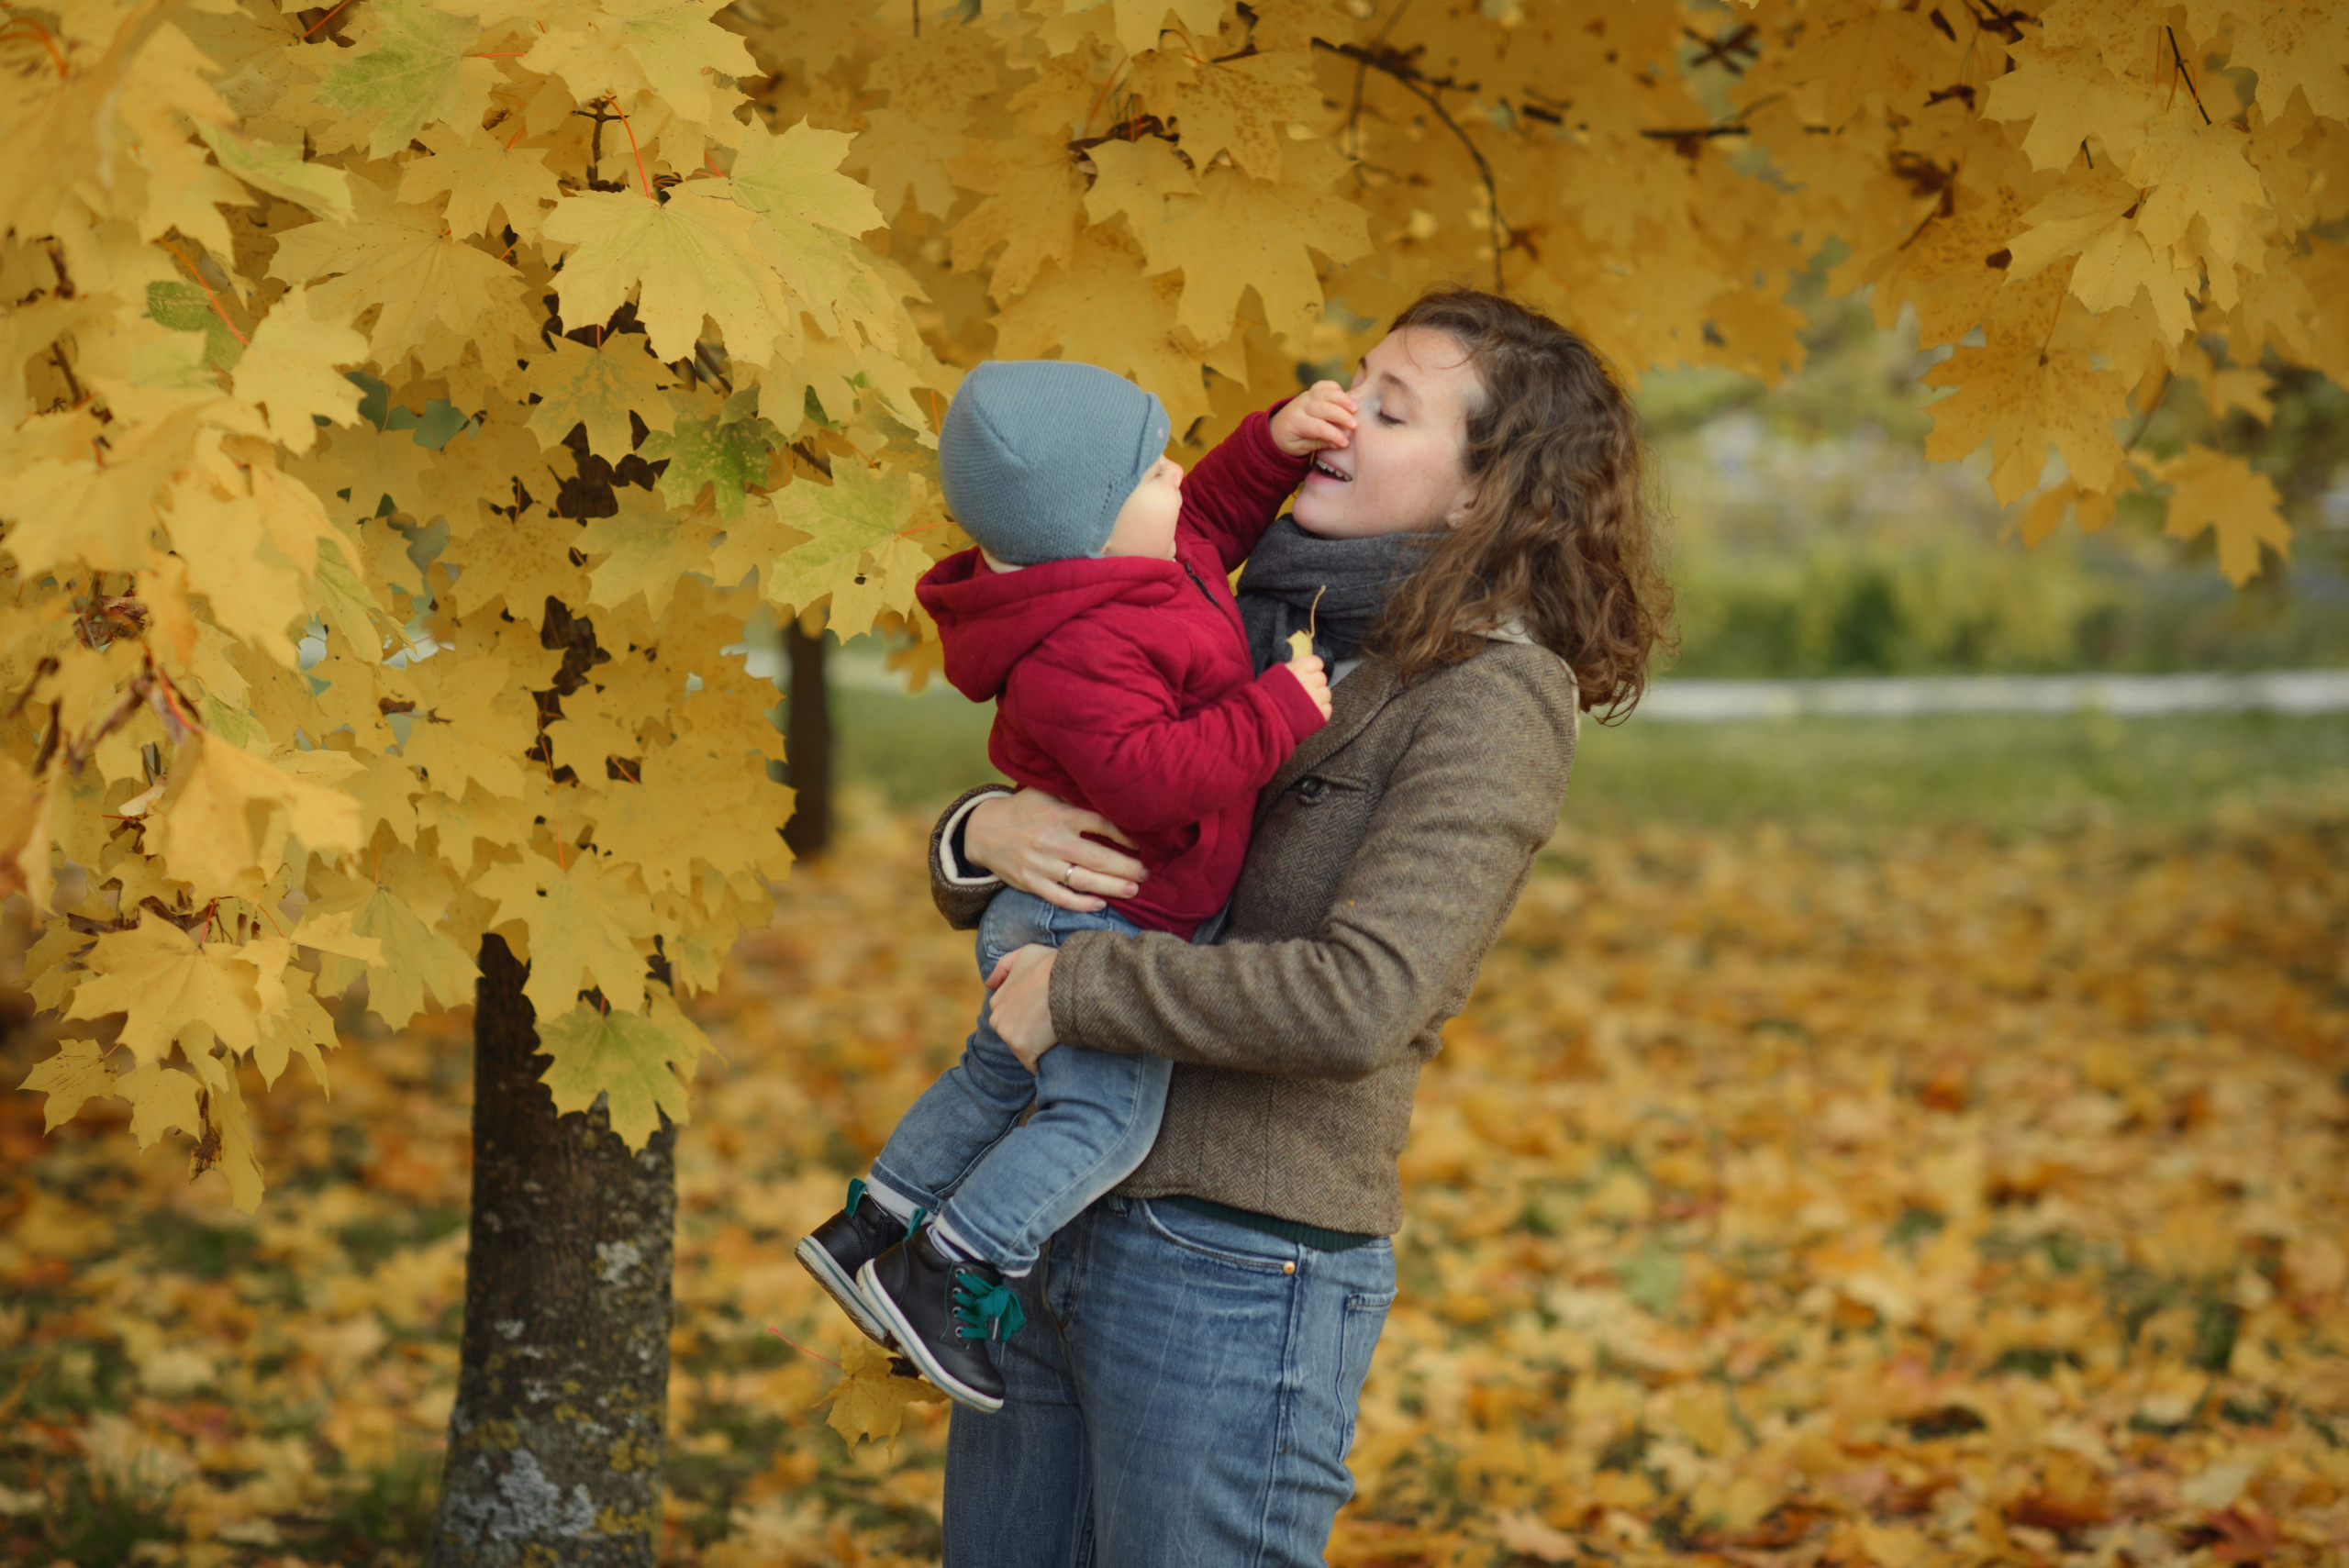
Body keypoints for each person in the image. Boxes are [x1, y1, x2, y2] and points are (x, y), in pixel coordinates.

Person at [918, 290, 1673, 1565]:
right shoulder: (1222, 604)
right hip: (1042, 1222)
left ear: (1478, 499)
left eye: (1392, 409)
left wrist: (1082, 993)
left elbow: (1364, 997)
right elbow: (1083, 795)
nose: (1338, 416)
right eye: (1353, 380)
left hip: (1231, 1260)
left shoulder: (1490, 694)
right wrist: (978, 831)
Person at [794, 358, 1364, 1411]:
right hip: (1094, 916)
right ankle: (954, 1259)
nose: (1179, 474)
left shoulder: (1148, 552)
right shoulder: (1081, 648)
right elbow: (1153, 782)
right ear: (1090, 526)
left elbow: (1215, 510)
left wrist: (1271, 441)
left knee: (996, 1078)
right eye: (1151, 469)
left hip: (1087, 906)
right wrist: (1279, 707)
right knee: (1104, 1122)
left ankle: (873, 1217)